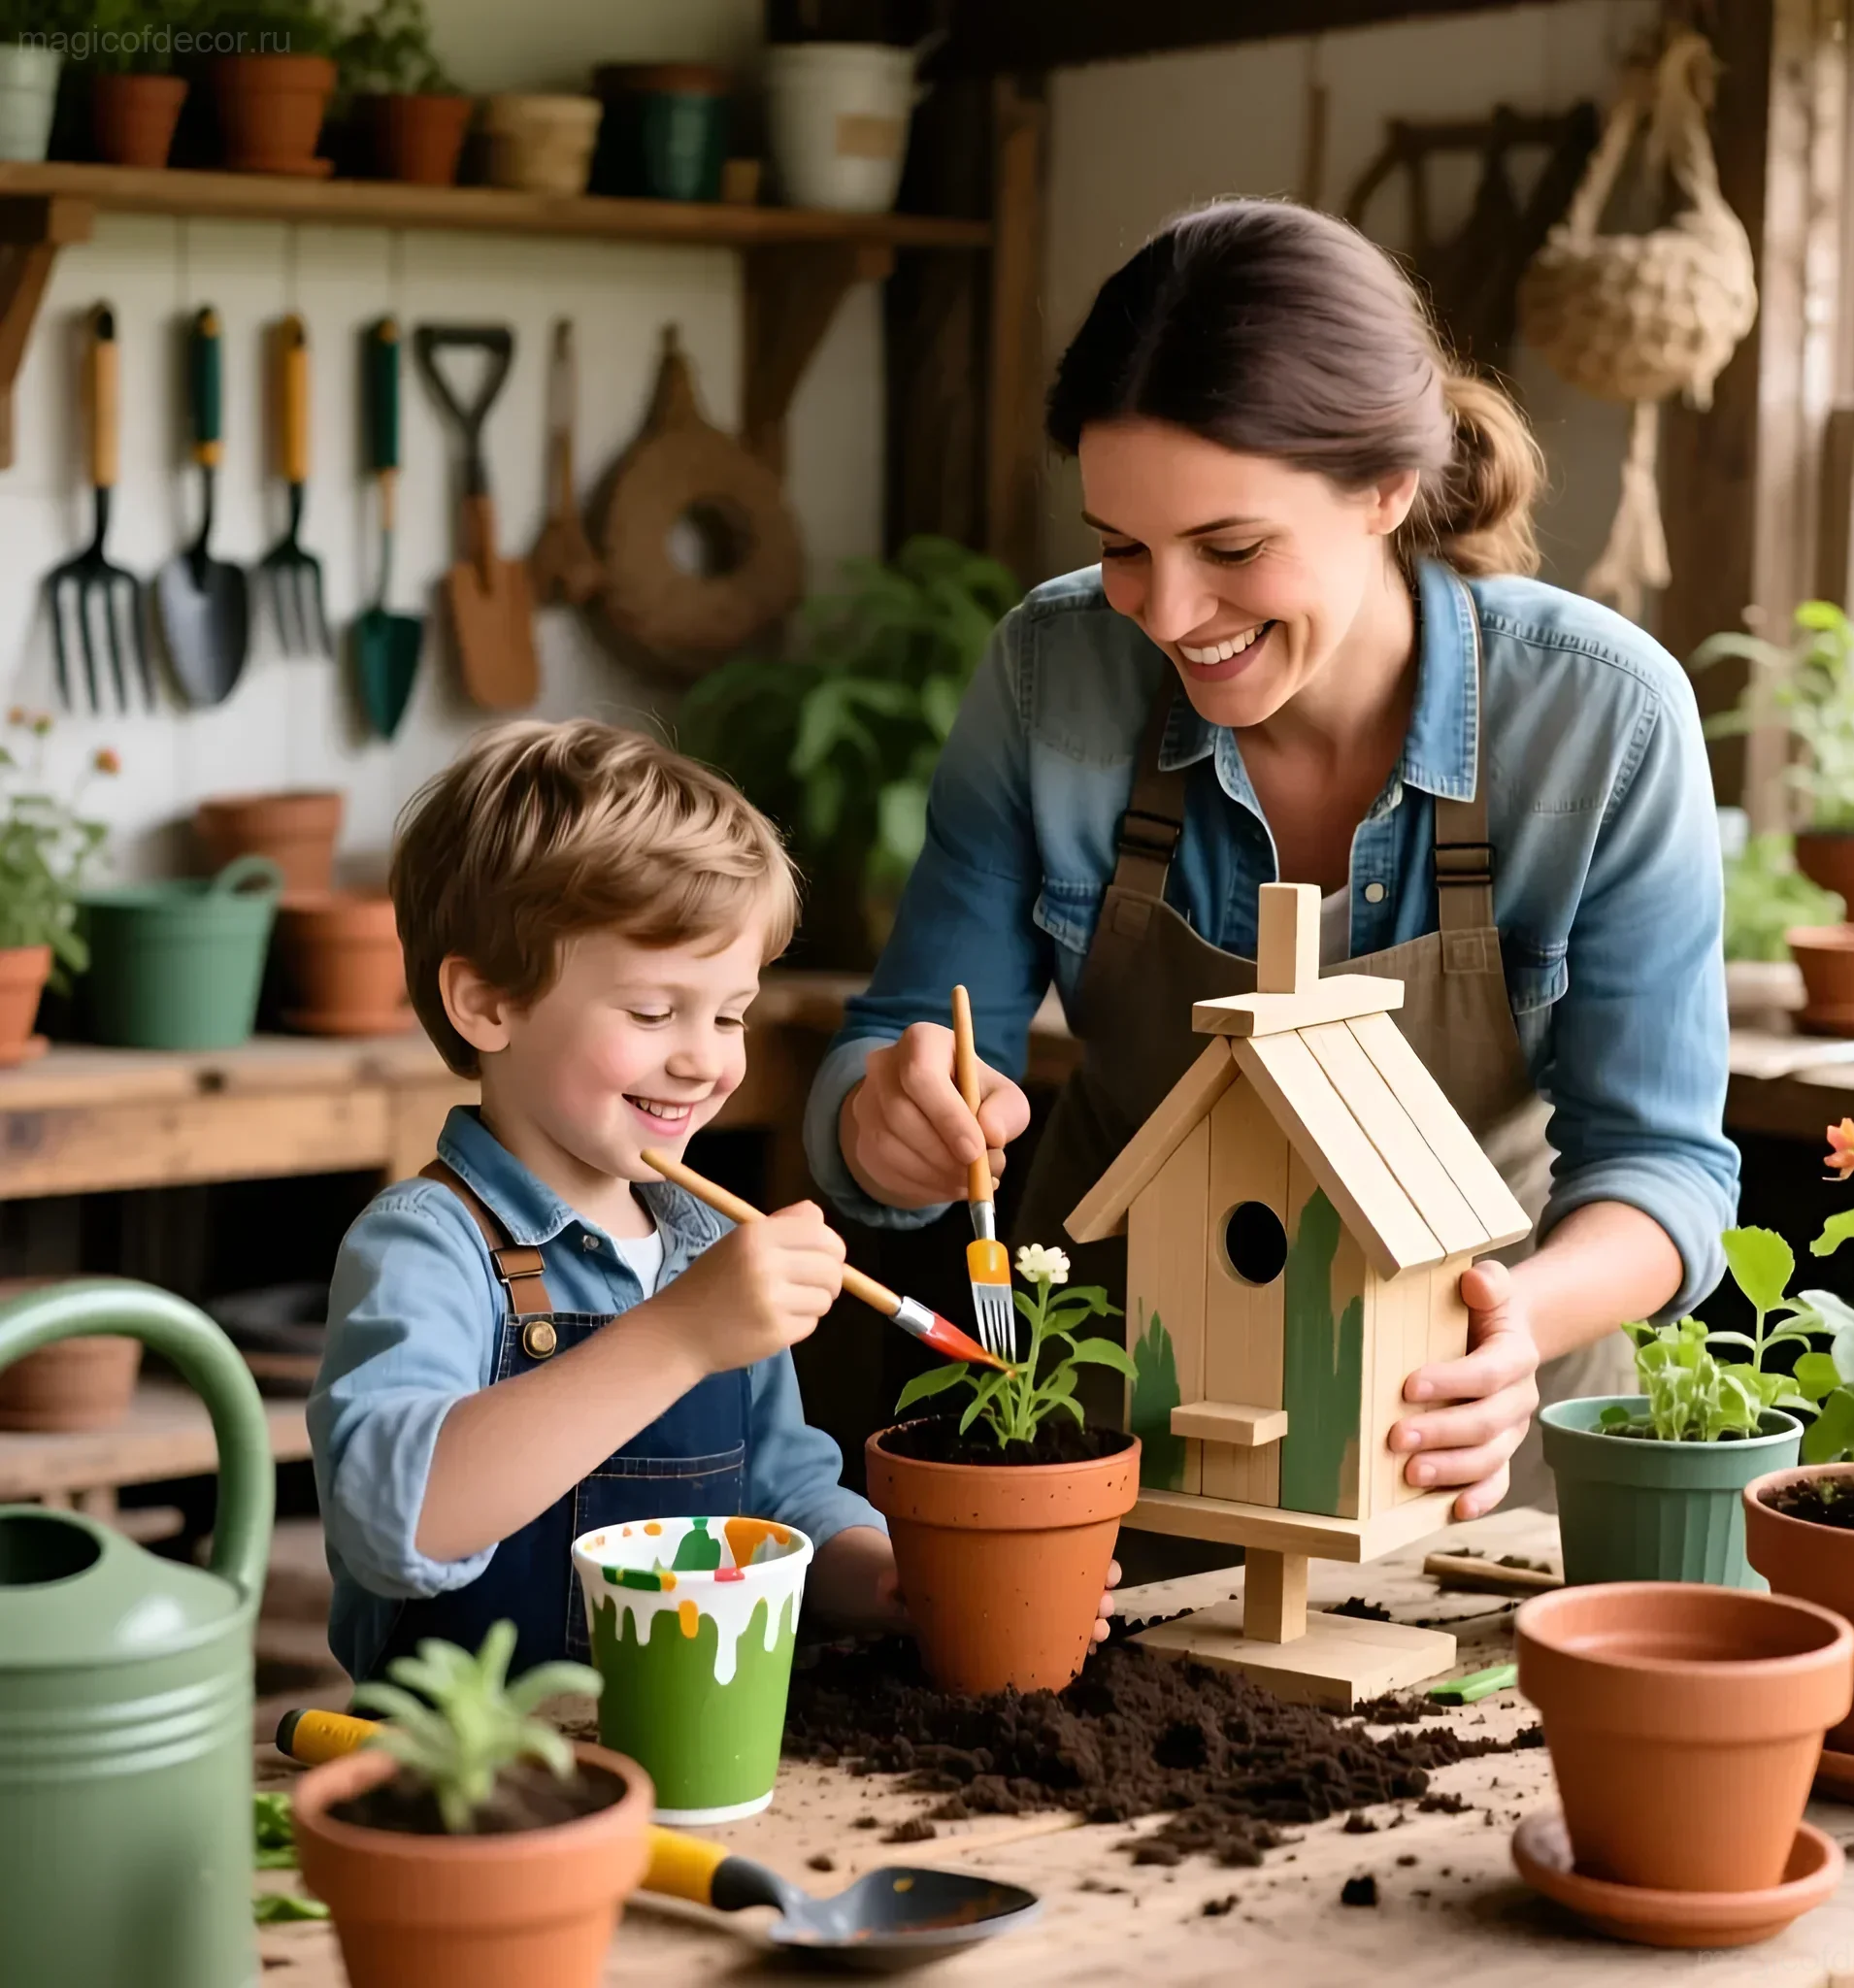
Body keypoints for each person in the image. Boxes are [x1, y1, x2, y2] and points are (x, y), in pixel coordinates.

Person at [804, 200, 1740, 1517]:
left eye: (1232, 549)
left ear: (1386, 490)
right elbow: (906, 1030)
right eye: (1122, 547)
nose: (1169, 614)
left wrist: (1516, 1320)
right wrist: (884, 1121)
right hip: (1115, 1419)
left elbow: (1665, 1168)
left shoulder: (1600, 717)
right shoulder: (1052, 676)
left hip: (1465, 1429)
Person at [310, 720, 1119, 1680]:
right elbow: (393, 1516)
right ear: (488, 1004)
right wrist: (679, 1335)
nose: (703, 1057)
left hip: (693, 1752)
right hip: (476, 1788)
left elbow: (779, 1497)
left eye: (729, 1011)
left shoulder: (706, 1245)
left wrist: (892, 1577)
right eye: (654, 1012)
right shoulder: (429, 1244)